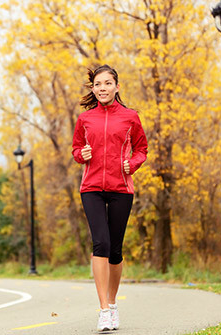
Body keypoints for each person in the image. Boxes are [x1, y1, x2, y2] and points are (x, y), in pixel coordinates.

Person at [71, 64, 148, 332]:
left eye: (107, 83)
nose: (102, 88)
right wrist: (83, 155)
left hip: (120, 188)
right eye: (97, 84)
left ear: (116, 86)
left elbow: (142, 149)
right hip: (91, 186)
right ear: (93, 89)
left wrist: (133, 164)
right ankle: (104, 309)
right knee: (100, 244)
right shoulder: (85, 119)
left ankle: (113, 303)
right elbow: (76, 149)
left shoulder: (130, 117)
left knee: (115, 250)